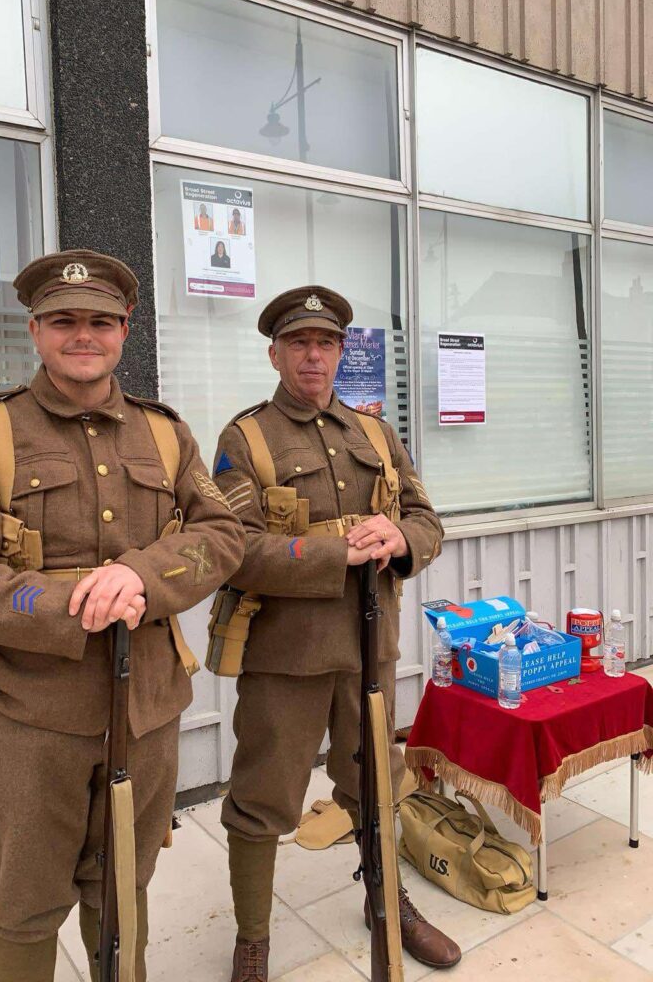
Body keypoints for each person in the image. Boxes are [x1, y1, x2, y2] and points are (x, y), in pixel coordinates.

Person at [0, 249, 245, 982]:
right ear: (35, 330)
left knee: (125, 884)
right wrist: (73, 602)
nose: (82, 335)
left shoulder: (165, 433)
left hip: (149, 708)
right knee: (25, 900)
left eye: (100, 320)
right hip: (34, 717)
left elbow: (222, 534)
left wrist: (142, 574)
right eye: (64, 321)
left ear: (125, 330)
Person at [212, 286, 461, 981]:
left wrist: (400, 535)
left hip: (369, 648)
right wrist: (334, 553)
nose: (312, 355)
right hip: (286, 654)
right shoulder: (246, 438)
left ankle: (388, 904)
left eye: (324, 343)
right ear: (276, 353)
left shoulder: (376, 433)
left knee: (377, 785)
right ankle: (253, 939)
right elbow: (234, 548)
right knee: (262, 799)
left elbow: (427, 521)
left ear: (341, 351)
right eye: (298, 343)